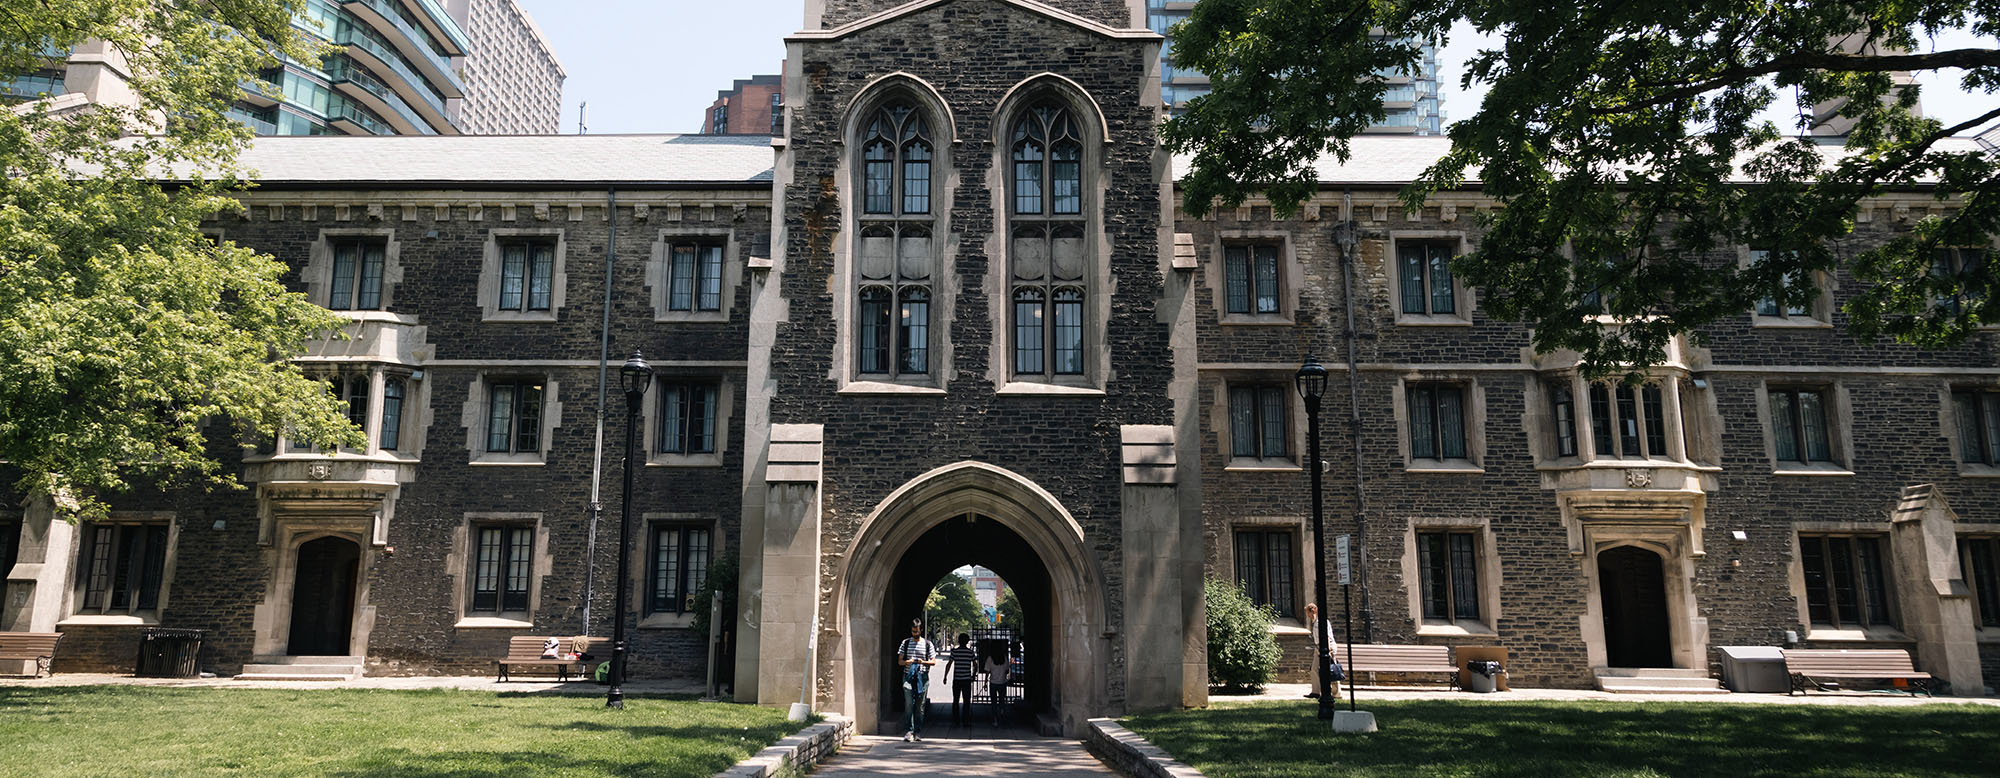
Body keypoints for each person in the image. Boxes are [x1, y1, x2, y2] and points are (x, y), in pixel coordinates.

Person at [896, 620, 937, 742]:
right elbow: (900, 661)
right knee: (909, 704)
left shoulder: (927, 644)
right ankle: (909, 730)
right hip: (908, 676)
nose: (915, 633)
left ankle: (918, 731)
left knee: (920, 706)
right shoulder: (906, 643)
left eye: (917, 631)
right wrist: (907, 662)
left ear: (921, 630)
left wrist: (922, 662)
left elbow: (933, 661)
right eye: (913, 631)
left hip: (922, 676)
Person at [1303, 602, 1341, 700]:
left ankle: (1336, 693)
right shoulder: (1315, 622)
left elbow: (1327, 636)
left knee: (1331, 670)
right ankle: (1316, 692)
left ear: (1313, 611)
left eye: (1308, 613)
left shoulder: (1322, 622)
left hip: (1328, 647)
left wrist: (1328, 650)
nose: (1308, 615)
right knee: (1314, 669)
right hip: (1318, 647)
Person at [946, 633, 978, 727]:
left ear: (959, 641)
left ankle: (956, 720)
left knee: (955, 700)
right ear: (967, 641)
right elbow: (976, 665)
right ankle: (966, 720)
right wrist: (973, 675)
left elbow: (949, 664)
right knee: (966, 701)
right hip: (967, 680)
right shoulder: (970, 652)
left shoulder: (954, 652)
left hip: (957, 680)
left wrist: (945, 676)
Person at [983, 643, 1010, 727]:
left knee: (994, 702)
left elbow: (987, 672)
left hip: (993, 683)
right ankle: (1002, 713)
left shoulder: (990, 659)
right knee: (1002, 701)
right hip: (1002, 682)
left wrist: (985, 682)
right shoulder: (1004, 658)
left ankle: (995, 719)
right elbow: (1007, 670)